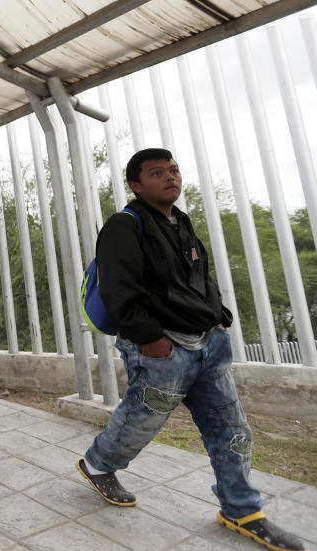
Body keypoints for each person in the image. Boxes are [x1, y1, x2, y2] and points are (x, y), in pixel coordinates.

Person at [78, 149, 304, 551]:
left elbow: (200, 275)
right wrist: (151, 338)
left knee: (231, 429)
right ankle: (98, 465)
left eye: (174, 170)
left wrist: (219, 315)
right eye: (157, 172)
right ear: (136, 184)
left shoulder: (180, 222)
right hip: (162, 350)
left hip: (207, 344)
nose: (170, 177)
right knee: (140, 422)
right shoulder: (123, 226)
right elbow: (118, 289)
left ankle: (241, 509)